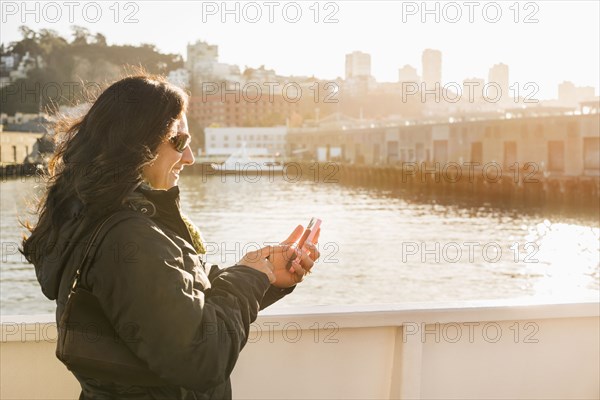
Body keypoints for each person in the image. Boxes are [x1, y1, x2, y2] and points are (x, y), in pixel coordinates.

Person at [21, 73, 320, 399]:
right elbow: (202, 359)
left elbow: (179, 307)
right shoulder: (129, 238)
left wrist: (261, 277)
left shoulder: (101, 221)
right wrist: (248, 278)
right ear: (135, 144)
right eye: (179, 141)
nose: (189, 157)